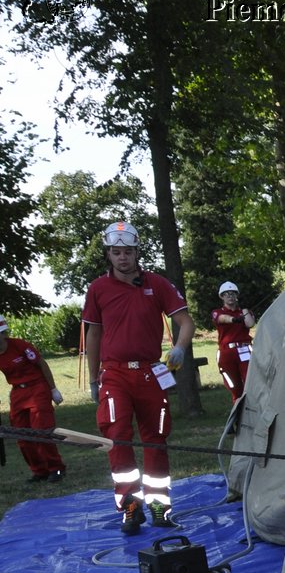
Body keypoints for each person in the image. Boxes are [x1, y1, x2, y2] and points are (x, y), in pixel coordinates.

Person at [82, 221, 196, 534]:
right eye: (116, 252)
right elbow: (93, 333)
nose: (122, 257)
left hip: (151, 373)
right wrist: (94, 379)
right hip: (115, 374)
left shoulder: (157, 284)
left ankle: (159, 504)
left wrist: (181, 349)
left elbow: (185, 322)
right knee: (117, 437)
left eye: (128, 251)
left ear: (136, 252)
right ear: (108, 254)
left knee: (155, 439)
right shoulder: (98, 289)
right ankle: (129, 505)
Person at [0, 315, 67, 483]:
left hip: (37, 388)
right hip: (17, 393)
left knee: (42, 431)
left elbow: (42, 364)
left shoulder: (19, 345)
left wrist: (53, 389)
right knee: (22, 437)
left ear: (3, 333)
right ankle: (39, 471)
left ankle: (56, 468)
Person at [211, 280, 255, 406]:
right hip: (227, 352)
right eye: (226, 294)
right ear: (222, 297)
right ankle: (238, 412)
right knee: (234, 386)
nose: (230, 296)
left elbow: (250, 323)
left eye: (232, 293)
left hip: (245, 350)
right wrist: (234, 319)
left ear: (237, 295)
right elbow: (222, 319)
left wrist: (244, 310)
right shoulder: (217, 312)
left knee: (250, 382)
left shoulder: (245, 312)